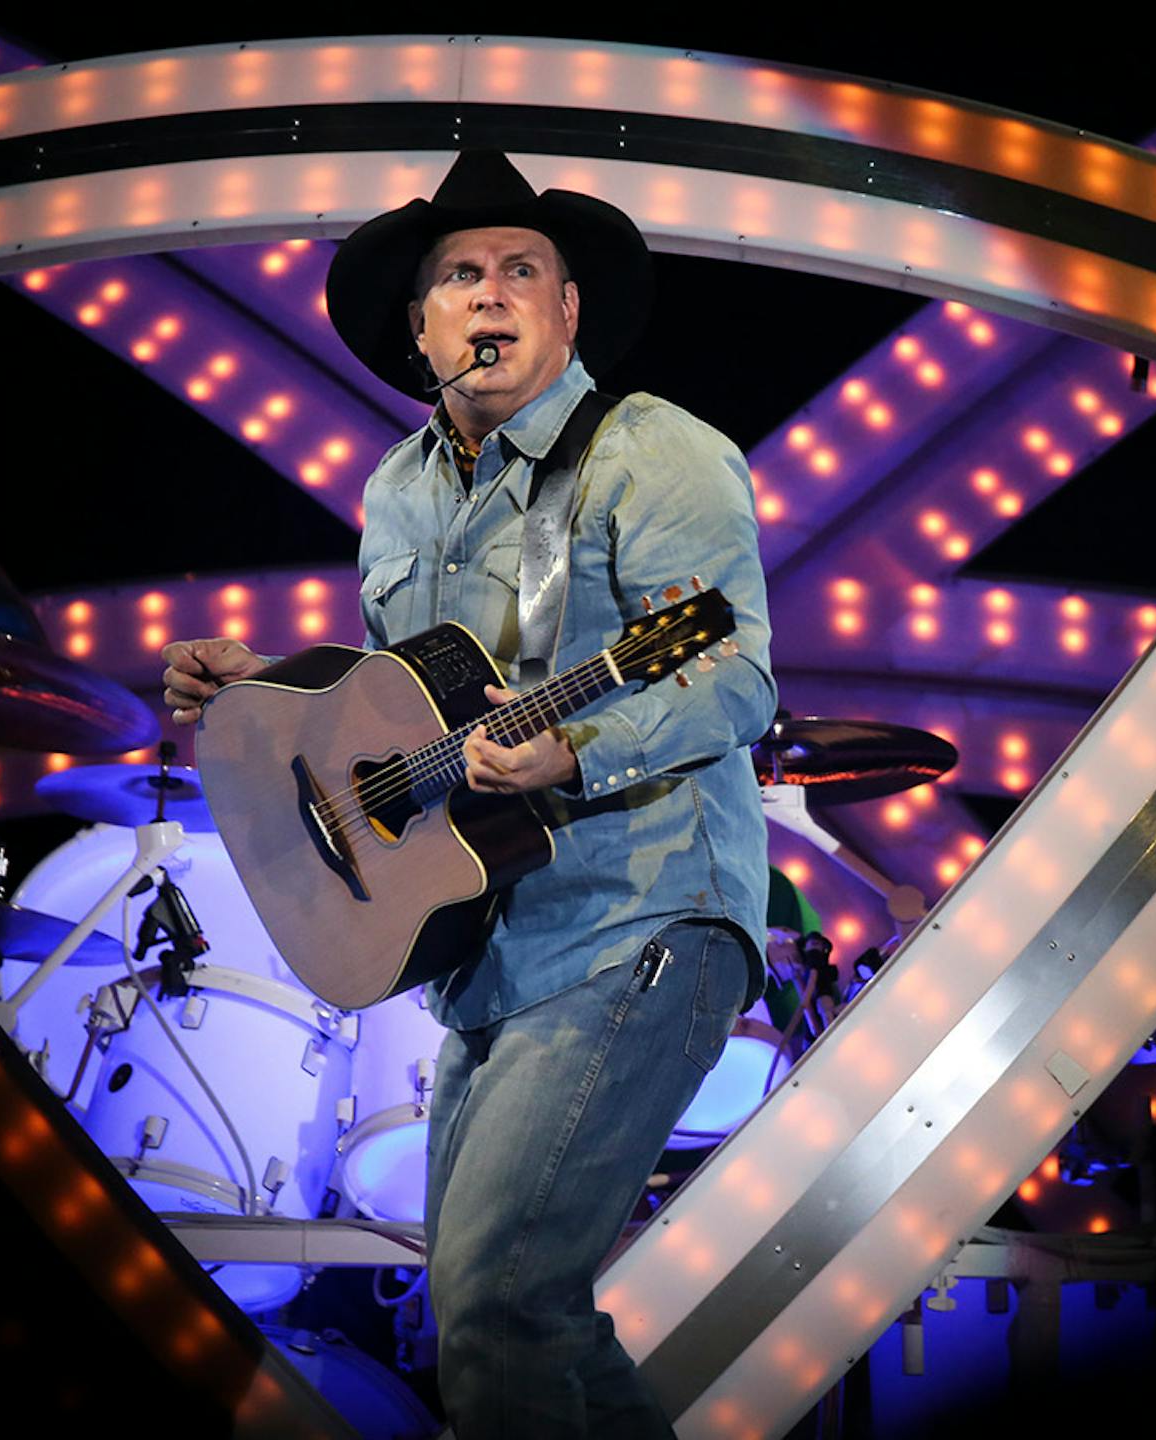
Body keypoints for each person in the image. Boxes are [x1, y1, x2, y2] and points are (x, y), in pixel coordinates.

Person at [160, 150, 774, 1438]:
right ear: (419, 325)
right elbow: (404, 699)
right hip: (485, 944)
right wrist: (269, 685)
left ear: (566, 312)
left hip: (639, 917)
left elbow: (731, 678)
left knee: (500, 1304)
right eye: (459, 276)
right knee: (492, 1312)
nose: (489, 296)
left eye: (520, 273)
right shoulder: (397, 489)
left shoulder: (656, 454)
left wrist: (578, 750)